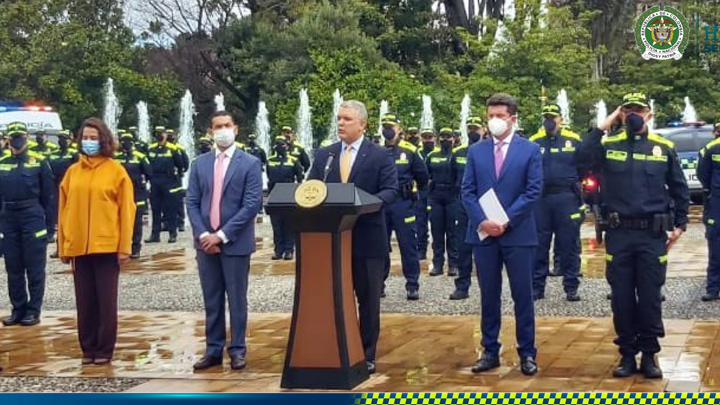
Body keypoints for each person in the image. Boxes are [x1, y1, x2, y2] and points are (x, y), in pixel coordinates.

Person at [578, 92, 689, 379]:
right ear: (621, 114)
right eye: (627, 111)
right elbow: (580, 159)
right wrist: (605, 124)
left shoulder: (663, 147)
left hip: (652, 235)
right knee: (622, 297)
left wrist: (680, 225)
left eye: (637, 110)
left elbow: (679, 187)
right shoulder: (608, 144)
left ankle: (650, 354)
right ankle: (627, 354)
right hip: (619, 233)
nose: (632, 115)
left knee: (651, 296)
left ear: (649, 114)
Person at [308, 100, 398, 374]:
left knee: (368, 299)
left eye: (347, 119)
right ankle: (337, 347)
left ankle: (366, 353)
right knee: (336, 296)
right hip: (333, 239)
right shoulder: (326, 155)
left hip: (367, 238)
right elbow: (312, 188)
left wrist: (363, 205)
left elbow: (390, 191)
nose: (341, 123)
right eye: (339, 118)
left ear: (363, 124)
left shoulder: (379, 155)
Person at [461, 93, 542, 376]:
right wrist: (483, 221)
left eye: (500, 116)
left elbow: (533, 191)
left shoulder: (530, 150)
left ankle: (527, 353)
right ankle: (490, 350)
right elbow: (467, 191)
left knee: (523, 295)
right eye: (491, 115)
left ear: (513, 119)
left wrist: (505, 220)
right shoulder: (476, 151)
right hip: (484, 234)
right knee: (489, 295)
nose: (494, 120)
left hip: (517, 233)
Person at [186, 111, 262, 371]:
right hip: (205, 243)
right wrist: (204, 234)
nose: (223, 130)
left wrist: (222, 234)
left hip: (235, 242)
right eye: (217, 126)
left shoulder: (250, 163)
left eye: (227, 125)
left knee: (237, 299)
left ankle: (238, 350)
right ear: (210, 132)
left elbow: (252, 203)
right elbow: (193, 202)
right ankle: (213, 350)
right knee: (212, 299)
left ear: (236, 129)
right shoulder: (200, 164)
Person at [58, 117, 136, 365]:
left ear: (104, 140)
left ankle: (104, 349)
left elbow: (127, 210)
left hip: (106, 246)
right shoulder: (72, 172)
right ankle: (87, 348)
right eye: (85, 137)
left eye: (94, 137)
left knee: (105, 301)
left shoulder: (116, 171)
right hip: (79, 246)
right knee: (85, 301)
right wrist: (63, 245)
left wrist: (125, 247)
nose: (89, 142)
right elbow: (63, 210)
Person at [528, 104, 585, 302]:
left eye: (553, 117)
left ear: (561, 119)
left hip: (566, 198)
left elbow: (584, 165)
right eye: (546, 117)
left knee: (569, 244)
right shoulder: (534, 142)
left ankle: (571, 286)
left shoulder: (574, 140)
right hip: (541, 200)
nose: (549, 120)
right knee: (539, 244)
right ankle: (537, 287)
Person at [0, 122, 54, 327]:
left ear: (27, 137)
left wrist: (47, 225)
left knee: (34, 267)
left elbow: (48, 195)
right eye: (12, 136)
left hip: (32, 215)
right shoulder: (2, 162)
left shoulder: (39, 162)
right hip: (9, 217)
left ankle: (33, 310)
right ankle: (18, 309)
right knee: (13, 267)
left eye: (20, 136)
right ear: (7, 139)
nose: (16, 140)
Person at [380, 113, 428, 300]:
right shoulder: (377, 150)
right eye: (384, 125)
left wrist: (413, 196)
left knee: (408, 245)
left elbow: (422, 177)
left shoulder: (409, 150)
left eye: (391, 125)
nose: (387, 129)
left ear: (399, 128)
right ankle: (379, 284)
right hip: (383, 205)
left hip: (403, 203)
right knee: (380, 246)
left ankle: (412, 285)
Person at [449, 117, 483, 300]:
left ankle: (487, 287)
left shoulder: (488, 151)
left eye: (475, 128)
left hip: (484, 203)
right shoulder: (458, 153)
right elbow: (453, 177)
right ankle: (462, 286)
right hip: (463, 204)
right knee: (462, 246)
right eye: (470, 128)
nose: (472, 132)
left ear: (482, 130)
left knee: (485, 247)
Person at [115, 132, 153, 259]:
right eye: (123, 141)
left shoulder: (140, 157)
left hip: (137, 194)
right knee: (119, 222)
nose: (126, 143)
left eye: (128, 141)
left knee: (136, 223)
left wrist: (141, 183)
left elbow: (149, 173)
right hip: (119, 195)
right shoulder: (116, 157)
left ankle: (135, 248)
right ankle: (121, 247)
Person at [426, 128, 458, 276]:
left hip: (452, 196)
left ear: (453, 139)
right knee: (437, 232)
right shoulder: (432, 155)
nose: (445, 140)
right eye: (443, 137)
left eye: (448, 137)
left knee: (452, 232)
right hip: (436, 196)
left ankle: (453, 265)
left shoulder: (457, 155)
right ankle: (437, 264)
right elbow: (425, 175)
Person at [266, 135, 303, 260]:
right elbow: (268, 176)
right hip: (274, 197)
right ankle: (278, 251)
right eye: (277, 144)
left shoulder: (293, 160)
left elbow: (299, 178)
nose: (279, 146)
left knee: (288, 224)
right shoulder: (270, 160)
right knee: (276, 226)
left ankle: (289, 250)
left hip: (289, 197)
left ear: (287, 146)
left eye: (282, 144)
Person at [146, 126, 184, 244]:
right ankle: (155, 234)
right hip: (155, 181)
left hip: (169, 181)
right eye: (157, 133)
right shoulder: (151, 148)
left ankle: (172, 233)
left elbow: (181, 164)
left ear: (166, 135)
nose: (159, 135)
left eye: (161, 133)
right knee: (155, 208)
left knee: (170, 208)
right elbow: (147, 164)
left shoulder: (172, 149)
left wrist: (177, 177)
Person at [48, 130, 79, 257]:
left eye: (65, 138)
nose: (62, 141)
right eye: (60, 138)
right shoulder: (53, 154)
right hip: (56, 188)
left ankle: (73, 247)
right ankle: (59, 247)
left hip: (71, 188)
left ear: (70, 140)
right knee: (59, 220)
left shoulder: (75, 154)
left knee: (72, 219)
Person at [698, 122, 720, 302]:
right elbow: (702, 174)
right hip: (717, 204)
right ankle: (713, 288)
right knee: (715, 247)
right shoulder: (710, 149)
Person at [416, 129, 435, 260]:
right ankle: (421, 250)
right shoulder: (417, 153)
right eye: (424, 137)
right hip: (421, 192)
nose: (427, 140)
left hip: (435, 193)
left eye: (429, 137)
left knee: (437, 224)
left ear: (434, 138)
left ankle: (438, 254)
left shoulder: (438, 153)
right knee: (420, 223)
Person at [166, 129, 189, 232]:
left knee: (178, 201)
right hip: (166, 179)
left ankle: (180, 223)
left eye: (172, 136)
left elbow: (185, 162)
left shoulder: (179, 148)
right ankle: (166, 222)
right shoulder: (163, 148)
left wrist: (181, 171)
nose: (170, 137)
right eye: (169, 135)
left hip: (176, 179)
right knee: (165, 202)